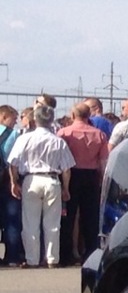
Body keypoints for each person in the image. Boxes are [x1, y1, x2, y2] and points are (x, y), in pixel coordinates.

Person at [6, 105, 75, 267]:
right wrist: (66, 188)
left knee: (30, 222)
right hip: (52, 179)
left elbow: (13, 163)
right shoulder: (58, 141)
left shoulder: (24, 139)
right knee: (52, 223)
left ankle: (32, 259)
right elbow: (66, 168)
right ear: (51, 120)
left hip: (31, 179)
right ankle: (52, 259)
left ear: (34, 119)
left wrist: (13, 182)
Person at [57, 103, 109, 265]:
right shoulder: (99, 134)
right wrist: (101, 179)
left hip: (71, 175)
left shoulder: (64, 133)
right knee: (91, 216)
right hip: (91, 175)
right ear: (89, 116)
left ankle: (65, 255)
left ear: (72, 115)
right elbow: (103, 162)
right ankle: (91, 254)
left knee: (68, 215)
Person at [0, 105, 21, 266]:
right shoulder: (13, 134)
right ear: (3, 116)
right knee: (11, 219)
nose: (15, 123)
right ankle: (12, 256)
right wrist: (14, 181)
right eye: (13, 119)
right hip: (7, 179)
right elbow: (13, 161)